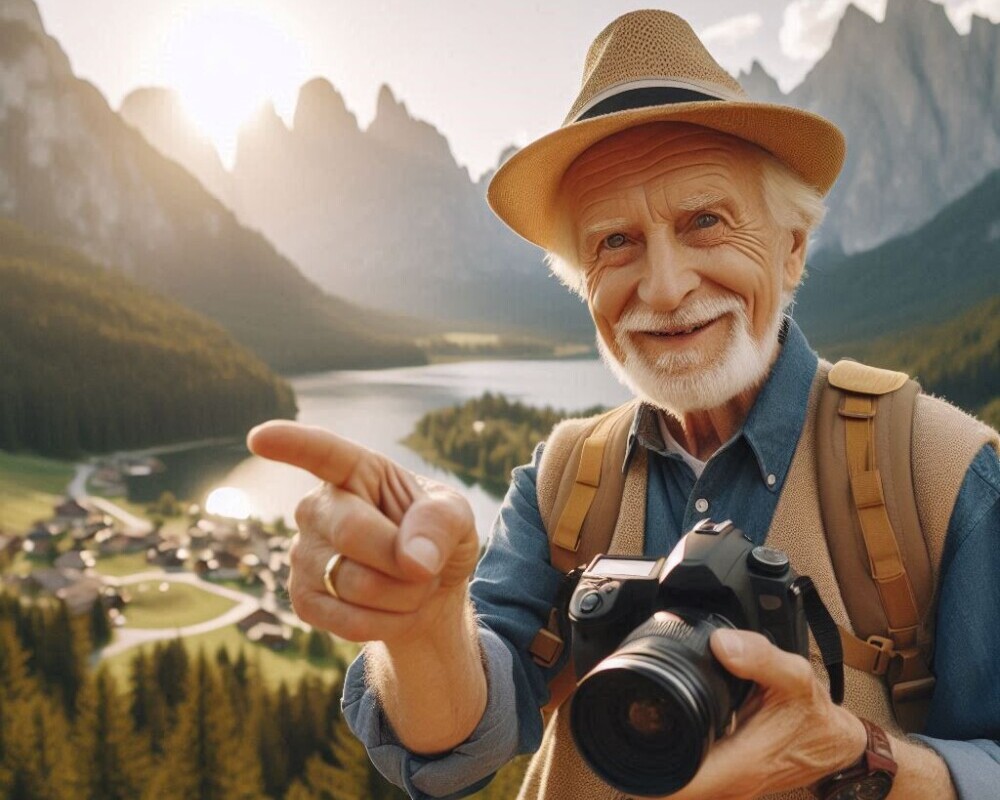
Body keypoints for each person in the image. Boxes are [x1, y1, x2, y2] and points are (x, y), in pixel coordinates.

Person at [247, 10, 1000, 800]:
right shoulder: (567, 477)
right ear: (585, 284)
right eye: (614, 241)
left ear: (792, 246)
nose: (665, 286)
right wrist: (421, 625)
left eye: (705, 221)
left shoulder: (940, 474)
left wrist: (857, 755)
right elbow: (462, 743)